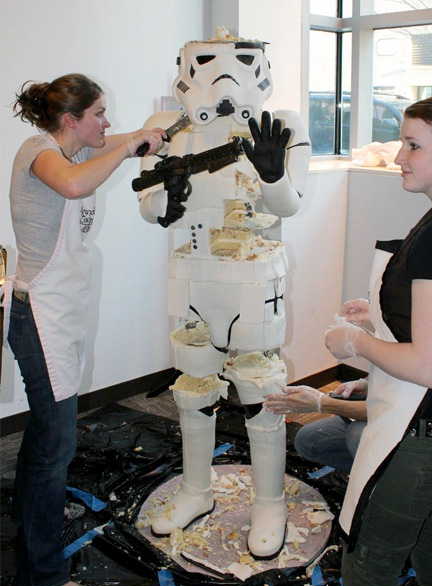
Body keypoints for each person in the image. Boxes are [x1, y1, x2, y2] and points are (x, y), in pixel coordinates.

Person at [137, 29, 311, 559]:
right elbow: (147, 203)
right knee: (193, 389)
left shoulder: (282, 126)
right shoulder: (167, 128)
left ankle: (269, 500)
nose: (224, 72)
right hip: (193, 272)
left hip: (254, 279)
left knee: (261, 391)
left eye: (239, 60)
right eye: (209, 60)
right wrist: (164, 199)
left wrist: (274, 174)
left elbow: (289, 205)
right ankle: (196, 489)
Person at [0, 73, 165, 586]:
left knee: (48, 435)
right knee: (57, 444)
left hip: (60, 314)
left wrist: (146, 136)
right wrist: (126, 147)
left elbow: (116, 143)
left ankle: (29, 510)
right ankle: (43, 577)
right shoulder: (40, 151)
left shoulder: (70, 150)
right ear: (71, 121)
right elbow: (75, 185)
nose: (107, 123)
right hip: (40, 315)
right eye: (98, 113)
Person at [324, 95, 432, 586]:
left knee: (369, 563)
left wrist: (357, 342)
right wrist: (378, 312)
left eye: (413, 145)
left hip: (421, 433)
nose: (399, 157)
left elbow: (430, 366)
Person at [264, 378, 368, 474]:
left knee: (356, 434)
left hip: (380, 422)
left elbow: (377, 411)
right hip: (373, 410)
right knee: (307, 439)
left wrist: (322, 403)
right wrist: (366, 384)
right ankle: (360, 466)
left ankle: (372, 482)